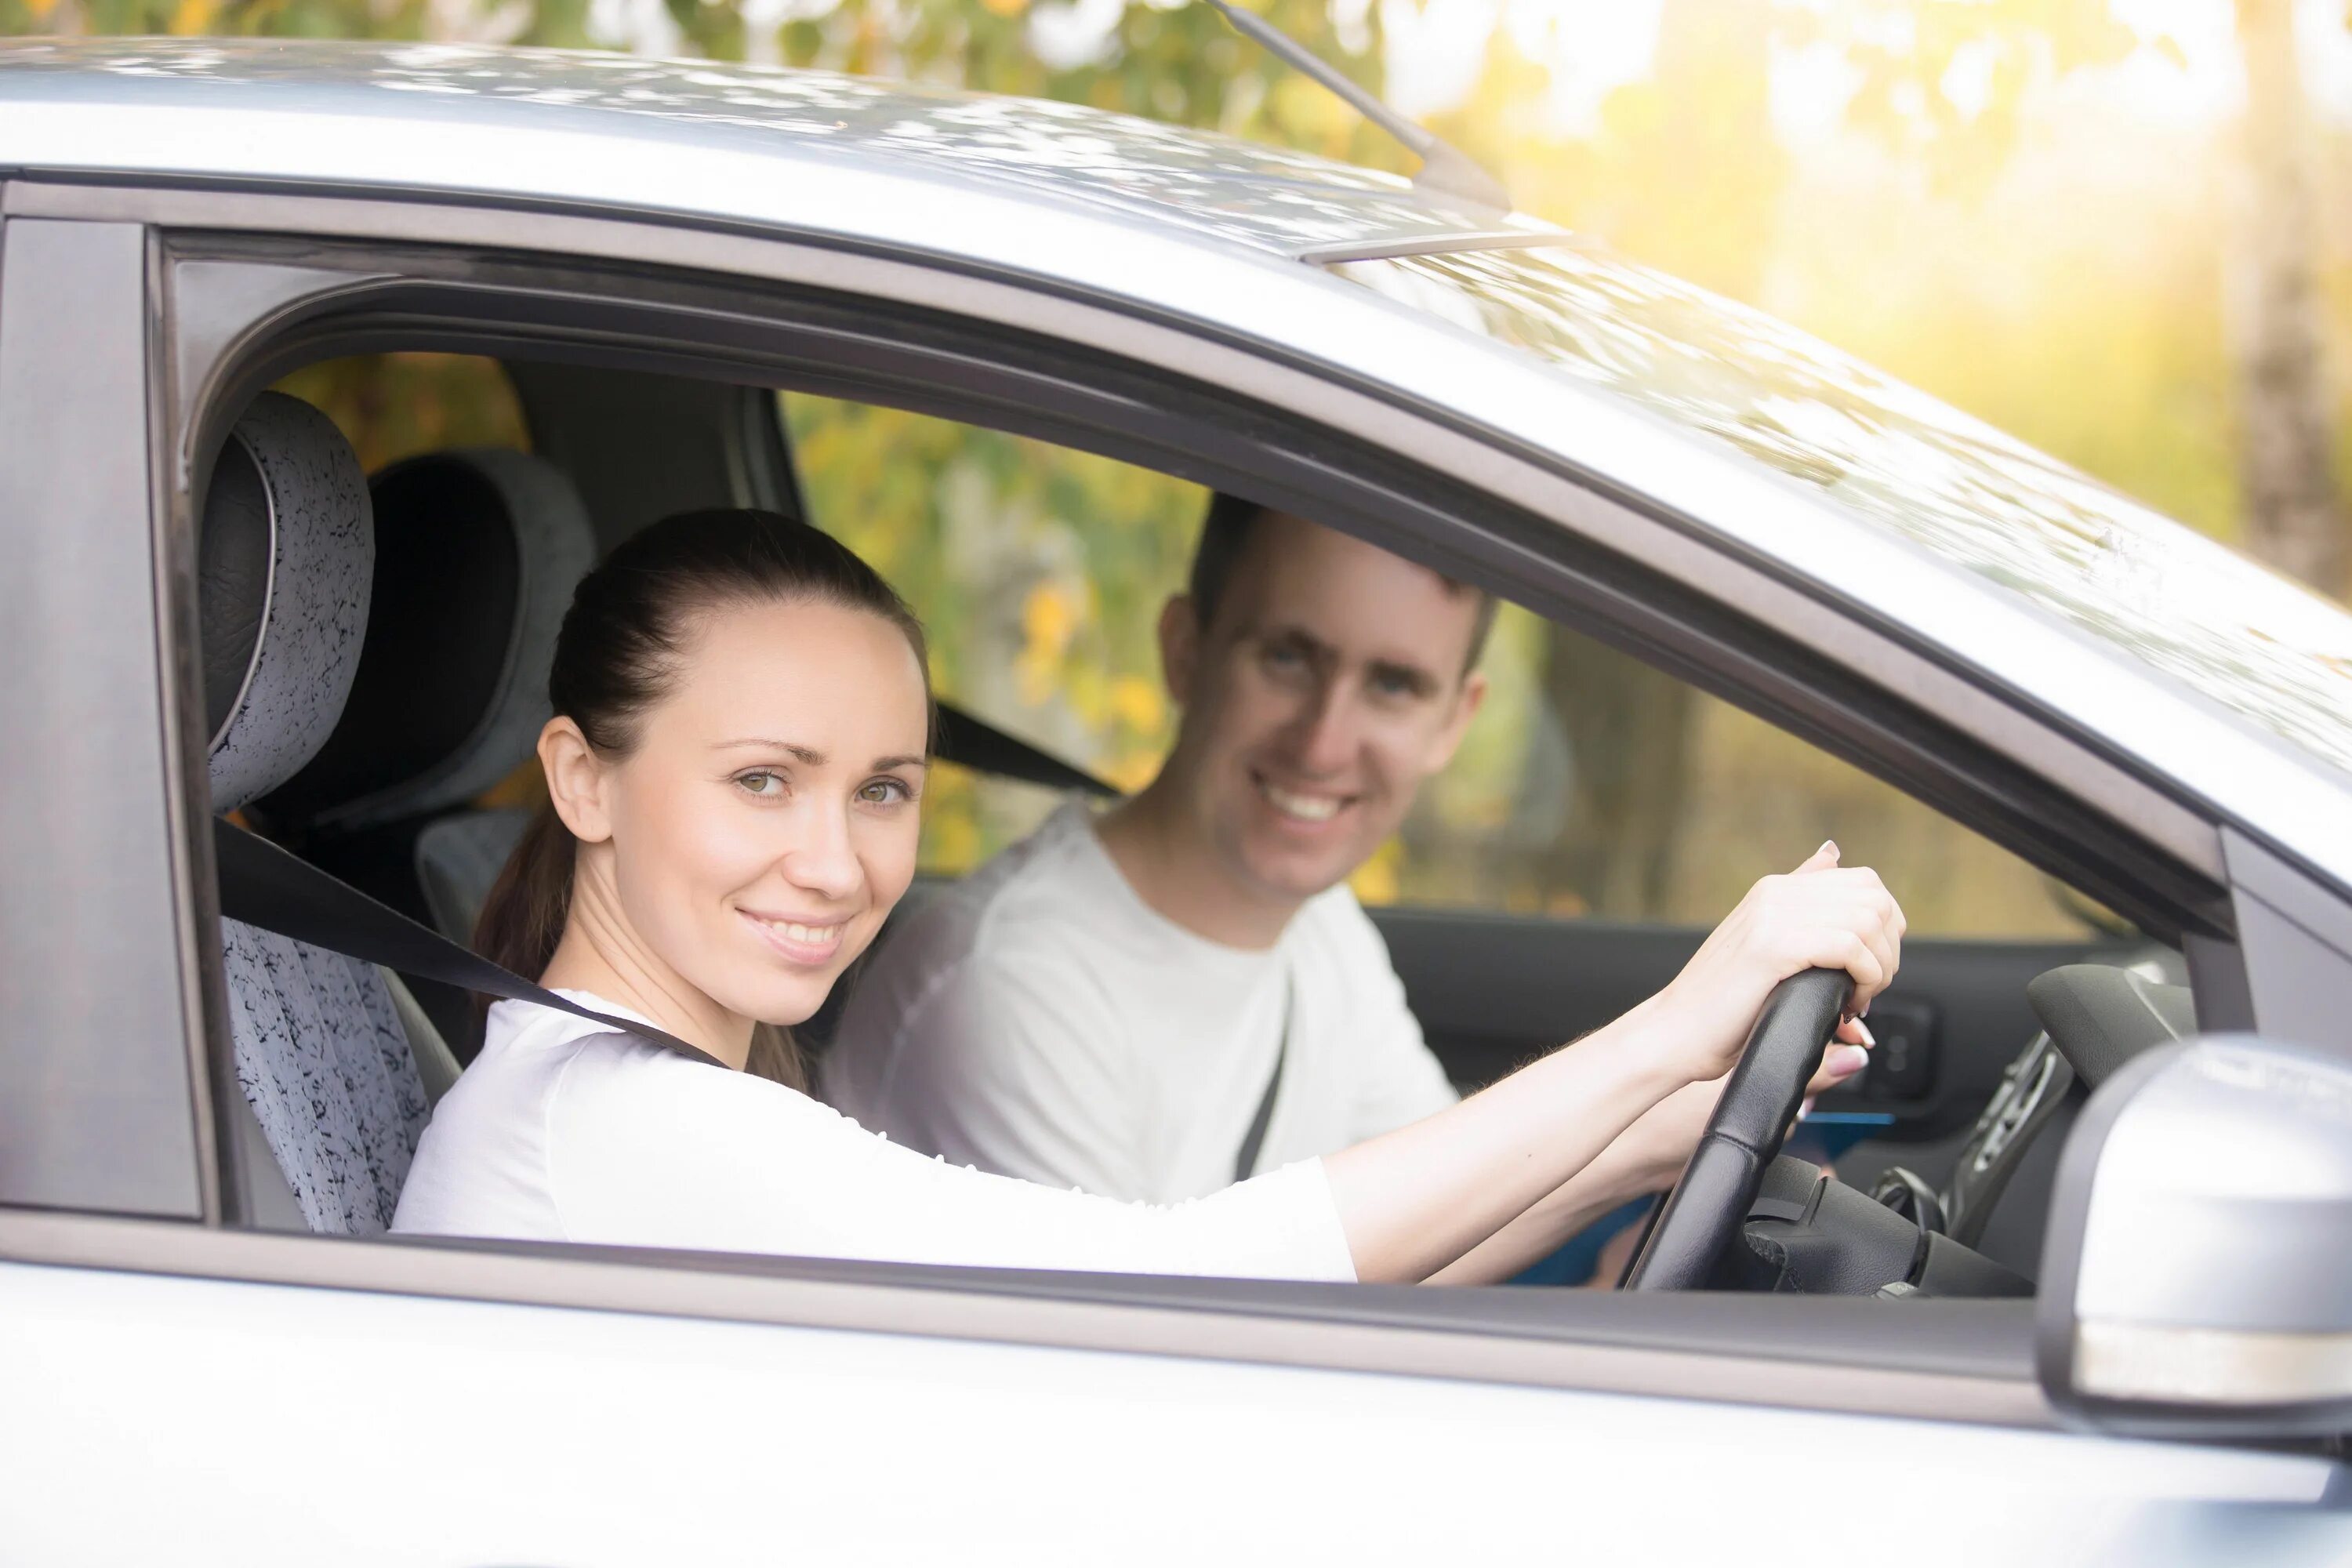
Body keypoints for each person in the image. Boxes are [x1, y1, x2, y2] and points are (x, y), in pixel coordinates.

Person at [392, 507, 1900, 1285]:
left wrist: (1663, 1138)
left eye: (884, 789)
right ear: (583, 781)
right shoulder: (626, 1128)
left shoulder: (629, 1101)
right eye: (763, 781)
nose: (840, 863)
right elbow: (1168, 1288)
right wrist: (1673, 1029)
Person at [822, 498, 1495, 1202]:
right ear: (1184, 651)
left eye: (1392, 685)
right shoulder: (1012, 984)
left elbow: (1461, 1209)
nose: (1322, 745)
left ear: (1453, 722)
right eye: (1287, 658)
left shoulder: (1327, 932)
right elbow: (1134, 1314)